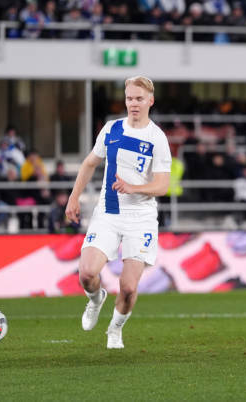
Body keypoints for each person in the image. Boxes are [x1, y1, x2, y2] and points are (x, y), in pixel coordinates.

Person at [66, 75, 171, 349]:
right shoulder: (111, 129)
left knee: (128, 287)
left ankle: (115, 329)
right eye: (129, 98)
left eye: (139, 99)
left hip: (141, 219)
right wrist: (74, 198)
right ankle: (95, 299)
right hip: (108, 212)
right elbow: (89, 163)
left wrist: (133, 187)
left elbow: (162, 185)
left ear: (150, 101)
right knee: (87, 273)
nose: (133, 103)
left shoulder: (157, 138)